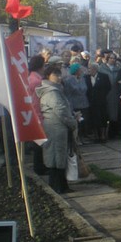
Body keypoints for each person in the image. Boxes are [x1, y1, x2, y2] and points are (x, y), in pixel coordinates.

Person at [36, 65, 78, 194]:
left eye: (59, 74)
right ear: (48, 76)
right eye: (55, 75)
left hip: (55, 127)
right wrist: (73, 122)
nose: (59, 77)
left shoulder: (53, 90)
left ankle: (60, 185)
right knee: (57, 156)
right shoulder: (52, 92)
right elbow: (61, 111)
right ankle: (57, 186)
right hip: (56, 128)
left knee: (57, 156)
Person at [28, 55, 47, 175]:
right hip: (38, 115)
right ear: (40, 67)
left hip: (32, 114)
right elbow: (36, 102)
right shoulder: (37, 82)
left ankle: (39, 166)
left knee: (38, 143)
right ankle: (39, 167)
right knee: (40, 144)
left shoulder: (30, 78)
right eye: (44, 66)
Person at [63, 63, 89, 144]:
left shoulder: (83, 79)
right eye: (80, 69)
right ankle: (75, 139)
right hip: (74, 104)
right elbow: (67, 93)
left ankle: (82, 137)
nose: (81, 71)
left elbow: (85, 89)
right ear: (76, 71)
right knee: (76, 122)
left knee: (83, 122)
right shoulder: (68, 80)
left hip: (84, 103)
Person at [85, 62, 111, 142]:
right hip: (91, 101)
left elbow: (108, 87)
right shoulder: (86, 77)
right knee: (93, 118)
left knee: (103, 118)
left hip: (101, 101)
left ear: (95, 69)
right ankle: (96, 136)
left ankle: (103, 135)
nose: (89, 70)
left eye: (90, 68)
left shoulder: (104, 76)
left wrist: (102, 95)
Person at [99, 52, 121, 139]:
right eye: (111, 58)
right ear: (107, 59)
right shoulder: (102, 68)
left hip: (115, 93)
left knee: (115, 112)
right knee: (106, 112)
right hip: (105, 93)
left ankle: (114, 132)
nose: (112, 60)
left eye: (114, 58)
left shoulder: (118, 69)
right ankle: (104, 133)